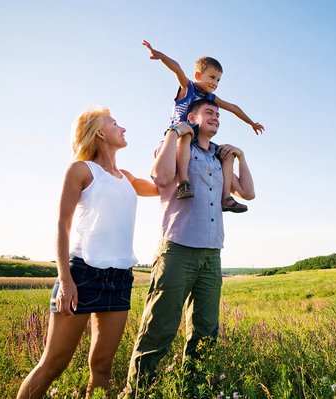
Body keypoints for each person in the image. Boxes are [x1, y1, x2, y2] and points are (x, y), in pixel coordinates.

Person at [17, 107, 158, 399]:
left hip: (119, 278)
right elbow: (62, 224)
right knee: (54, 363)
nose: (123, 128)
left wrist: (173, 143)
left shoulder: (127, 178)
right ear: (100, 133)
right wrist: (65, 280)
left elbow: (163, 187)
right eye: (116, 123)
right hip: (81, 274)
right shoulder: (81, 170)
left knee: (102, 366)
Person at [126, 98, 255, 389]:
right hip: (178, 248)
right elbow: (159, 177)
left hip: (212, 253)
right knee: (159, 326)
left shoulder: (217, 159)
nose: (216, 117)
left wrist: (241, 156)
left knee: (206, 330)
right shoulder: (178, 147)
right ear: (192, 117)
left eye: (219, 115)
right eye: (209, 112)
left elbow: (248, 192)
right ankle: (138, 391)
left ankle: (194, 389)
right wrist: (175, 131)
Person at [142, 40, 263, 212]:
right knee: (187, 134)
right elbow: (177, 68)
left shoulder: (211, 98)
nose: (215, 83)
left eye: (218, 80)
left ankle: (225, 198)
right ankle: (184, 182)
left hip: (198, 138)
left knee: (227, 154)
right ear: (198, 75)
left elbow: (233, 107)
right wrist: (160, 55)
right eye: (212, 77)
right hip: (180, 133)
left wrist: (251, 123)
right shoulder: (188, 87)